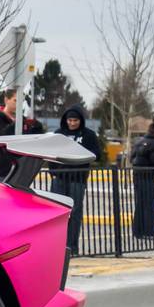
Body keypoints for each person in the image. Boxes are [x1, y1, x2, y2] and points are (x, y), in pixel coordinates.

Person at [51, 106, 101, 253]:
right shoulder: (58, 134)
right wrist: (53, 172)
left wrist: (81, 155)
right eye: (70, 120)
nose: (72, 123)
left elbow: (96, 154)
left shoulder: (89, 135)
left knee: (75, 212)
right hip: (59, 177)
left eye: (75, 120)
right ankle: (57, 246)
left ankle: (72, 246)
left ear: (81, 120)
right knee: (58, 212)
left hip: (77, 178)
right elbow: (50, 152)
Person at [130, 121, 154, 239]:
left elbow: (131, 158)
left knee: (140, 204)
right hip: (149, 176)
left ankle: (137, 231)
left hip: (137, 175)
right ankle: (148, 231)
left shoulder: (138, 142)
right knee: (150, 204)